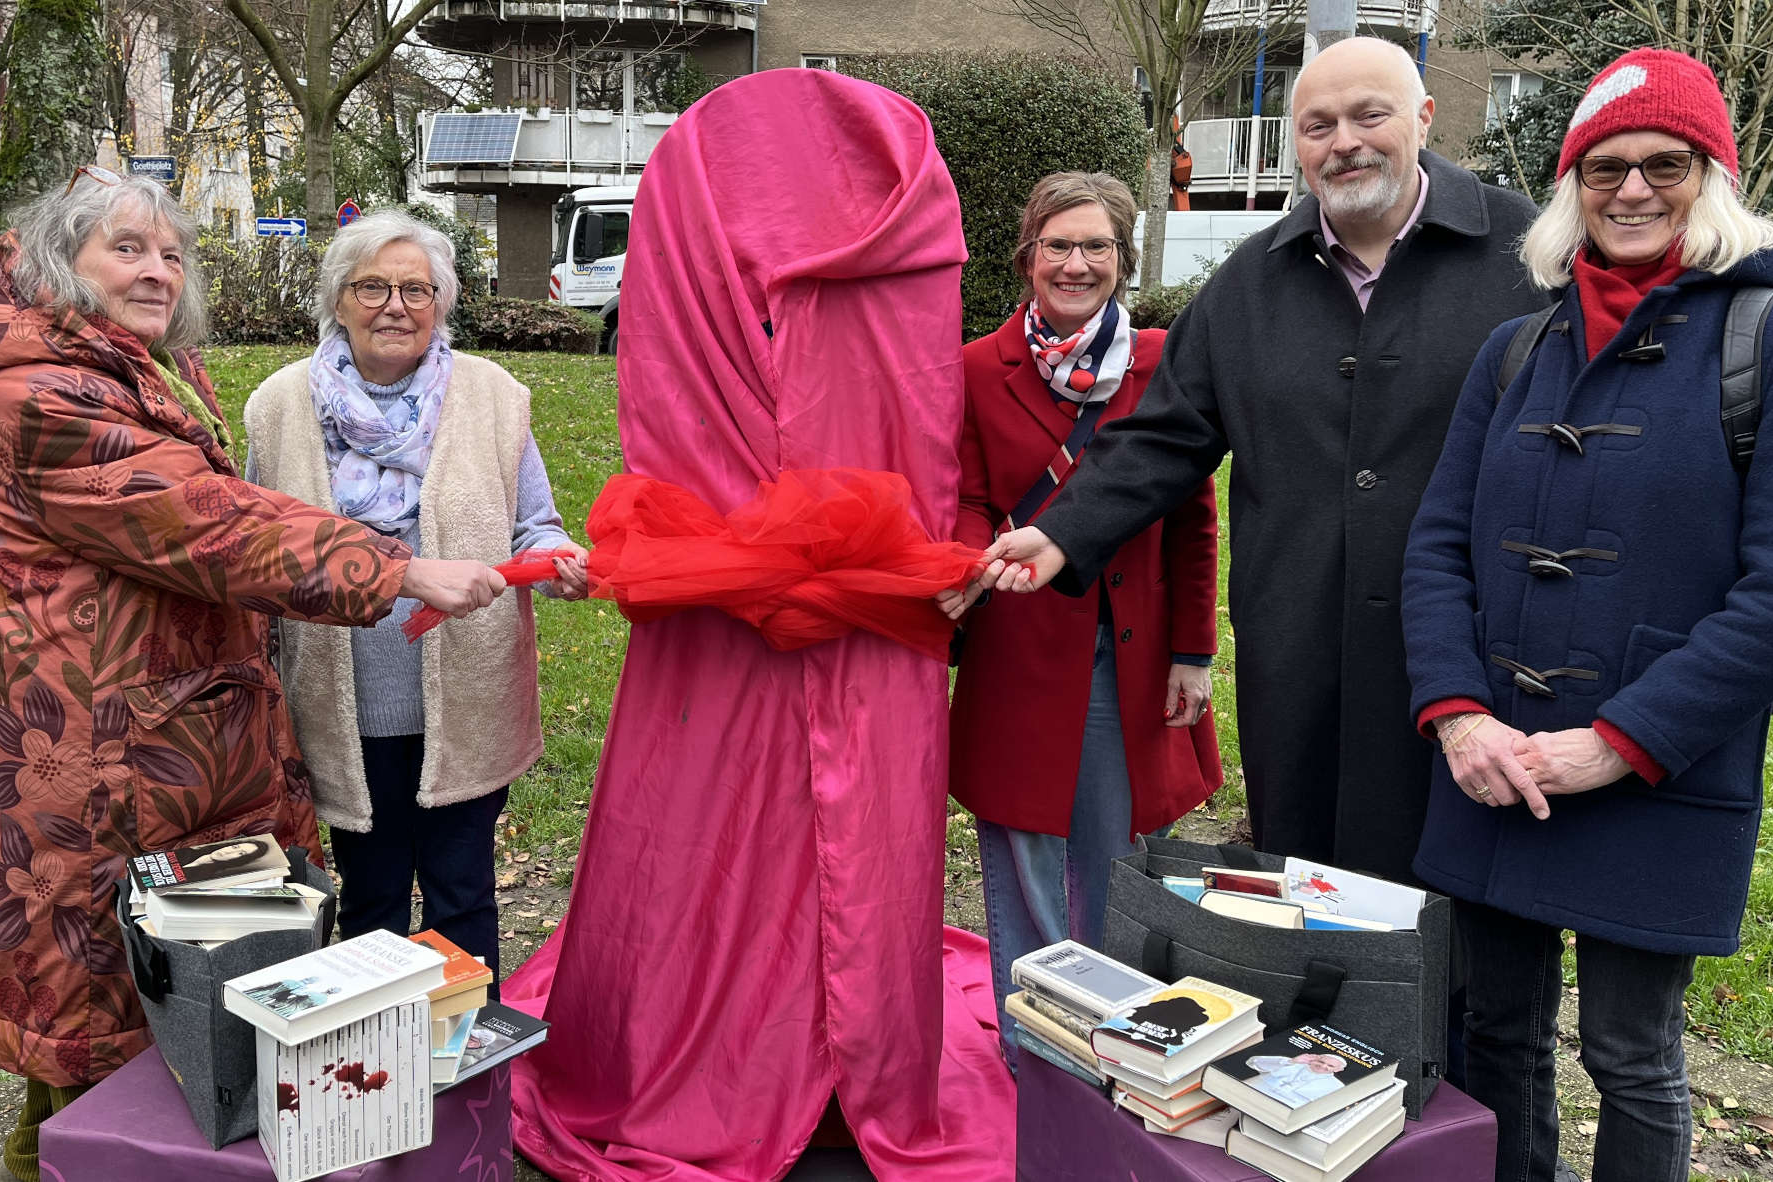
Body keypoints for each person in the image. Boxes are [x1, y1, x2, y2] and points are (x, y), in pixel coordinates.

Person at [498, 69, 1014, 1181]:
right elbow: (912, 421)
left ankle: (778, 1048)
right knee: (771, 829)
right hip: (818, 621)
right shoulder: (907, 226)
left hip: (806, 621)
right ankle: (814, 1048)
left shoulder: (697, 201)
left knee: (734, 835)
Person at [0, 172, 501, 1182]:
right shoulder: (41, 391)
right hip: (94, 759)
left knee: (187, 986)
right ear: (61, 261)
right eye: (126, 248)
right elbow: (209, 521)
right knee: (106, 1002)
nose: (157, 269)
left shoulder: (143, 367)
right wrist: (395, 568)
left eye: (172, 254)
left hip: (170, 739)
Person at [981, 37, 1547, 885]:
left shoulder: (1529, 254)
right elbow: (1167, 433)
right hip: (1298, 644)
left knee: (1462, 887)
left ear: (1423, 118)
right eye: (1317, 125)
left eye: (1369, 115)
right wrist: (1062, 533)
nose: (1343, 142)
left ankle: (1456, 1023)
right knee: (1306, 879)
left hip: (1469, 641)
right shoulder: (1254, 279)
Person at [1401, 49, 1773, 1182]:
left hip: (1661, 770)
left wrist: (1619, 744)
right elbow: (1437, 547)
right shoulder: (1517, 348)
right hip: (1499, 762)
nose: (1632, 189)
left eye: (1665, 162)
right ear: (1570, 187)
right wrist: (1461, 719)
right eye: (1603, 167)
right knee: (1497, 1036)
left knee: (1631, 1053)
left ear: (1712, 175)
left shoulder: (1756, 340)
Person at [244, 210, 589, 995]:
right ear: (339, 299)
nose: (395, 306)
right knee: (370, 897)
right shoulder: (279, 405)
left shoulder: (494, 396)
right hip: (341, 701)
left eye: (416, 289)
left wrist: (557, 557)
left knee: (461, 892)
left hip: (467, 694)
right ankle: (373, 1081)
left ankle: (465, 1077)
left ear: (441, 303)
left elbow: (535, 522)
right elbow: (256, 551)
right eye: (372, 287)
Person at [938, 171, 1220, 1061]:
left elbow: (1192, 518)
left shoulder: (1164, 361)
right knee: (1023, 851)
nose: (1075, 263)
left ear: (1123, 260)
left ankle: (1124, 1047)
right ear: (1027, 257)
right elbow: (970, 496)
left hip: (1132, 655)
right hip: (1020, 648)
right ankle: (1038, 1052)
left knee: (1123, 854)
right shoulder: (979, 367)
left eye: (1095, 245)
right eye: (1056, 245)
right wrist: (975, 560)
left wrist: (1193, 653)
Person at [1247, 1052, 1348, 1106]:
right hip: (1251, 1094)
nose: (1323, 1066)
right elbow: (1252, 1062)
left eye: (1330, 1066)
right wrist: (1291, 1061)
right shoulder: (1292, 1063)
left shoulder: (1337, 1087)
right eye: (1321, 1062)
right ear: (1314, 1059)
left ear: (1338, 1070)